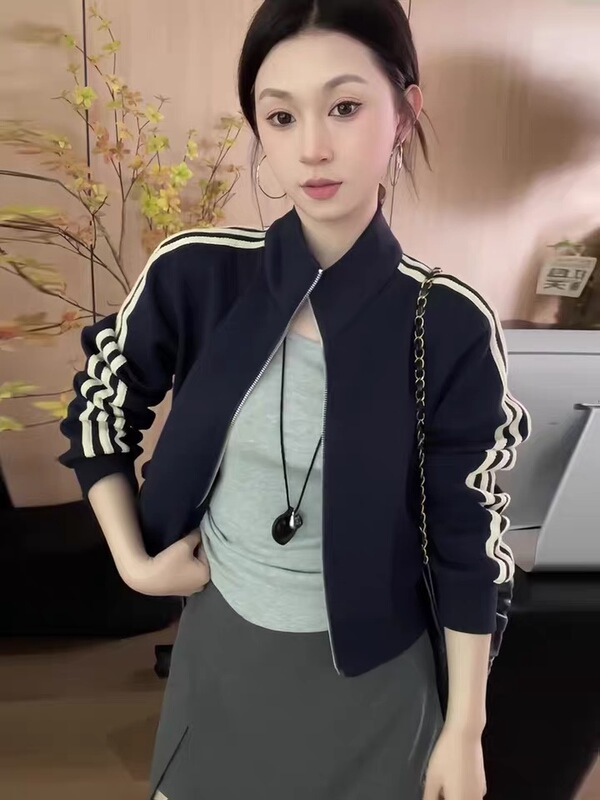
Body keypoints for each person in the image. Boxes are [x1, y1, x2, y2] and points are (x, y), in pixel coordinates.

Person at [58, 1, 531, 798]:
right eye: (280, 117)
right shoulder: (197, 274)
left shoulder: (447, 321)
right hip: (223, 657)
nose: (312, 147)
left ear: (404, 114)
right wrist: (133, 564)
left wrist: (465, 729)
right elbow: (100, 411)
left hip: (377, 684)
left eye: (344, 107)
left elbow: (469, 536)